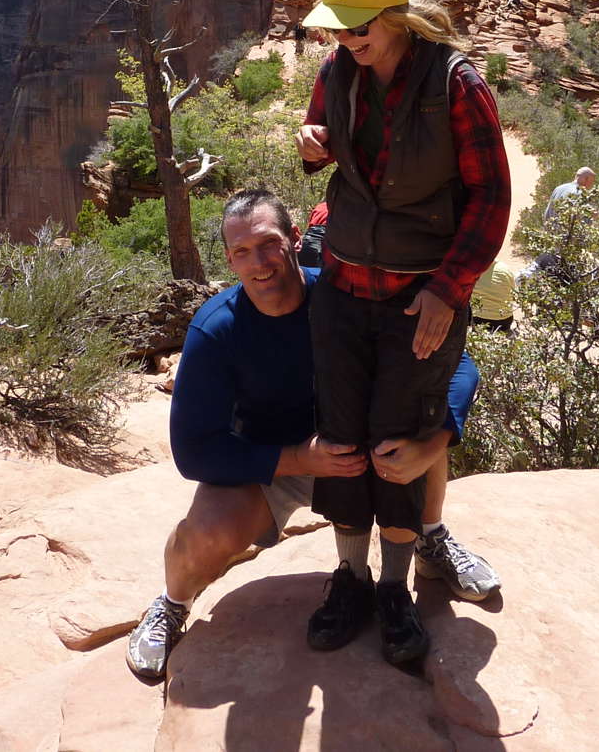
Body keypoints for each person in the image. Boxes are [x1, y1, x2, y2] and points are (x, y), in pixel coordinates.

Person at [124, 189, 499, 684]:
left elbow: (457, 367)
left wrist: (435, 442)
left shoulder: (345, 300)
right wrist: (299, 458)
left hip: (365, 447)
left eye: (268, 244)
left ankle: (429, 538)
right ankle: (172, 604)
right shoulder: (218, 329)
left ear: (295, 240)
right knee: (210, 528)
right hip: (276, 462)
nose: (259, 263)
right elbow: (194, 451)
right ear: (230, 260)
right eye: (242, 251)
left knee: (418, 421)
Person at [296, 0, 510, 668]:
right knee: (343, 439)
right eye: (338, 25)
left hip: (417, 297)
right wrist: (311, 146)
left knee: (397, 443)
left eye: (357, 25)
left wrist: (449, 290)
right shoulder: (338, 71)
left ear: (395, 17)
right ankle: (350, 577)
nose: (344, 37)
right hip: (343, 287)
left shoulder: (455, 83)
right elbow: (322, 146)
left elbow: (490, 197)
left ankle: (393, 588)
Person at [469, 260, 515, 332]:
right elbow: (512, 294)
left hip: (479, 320)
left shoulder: (471, 270)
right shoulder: (505, 269)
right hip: (505, 321)